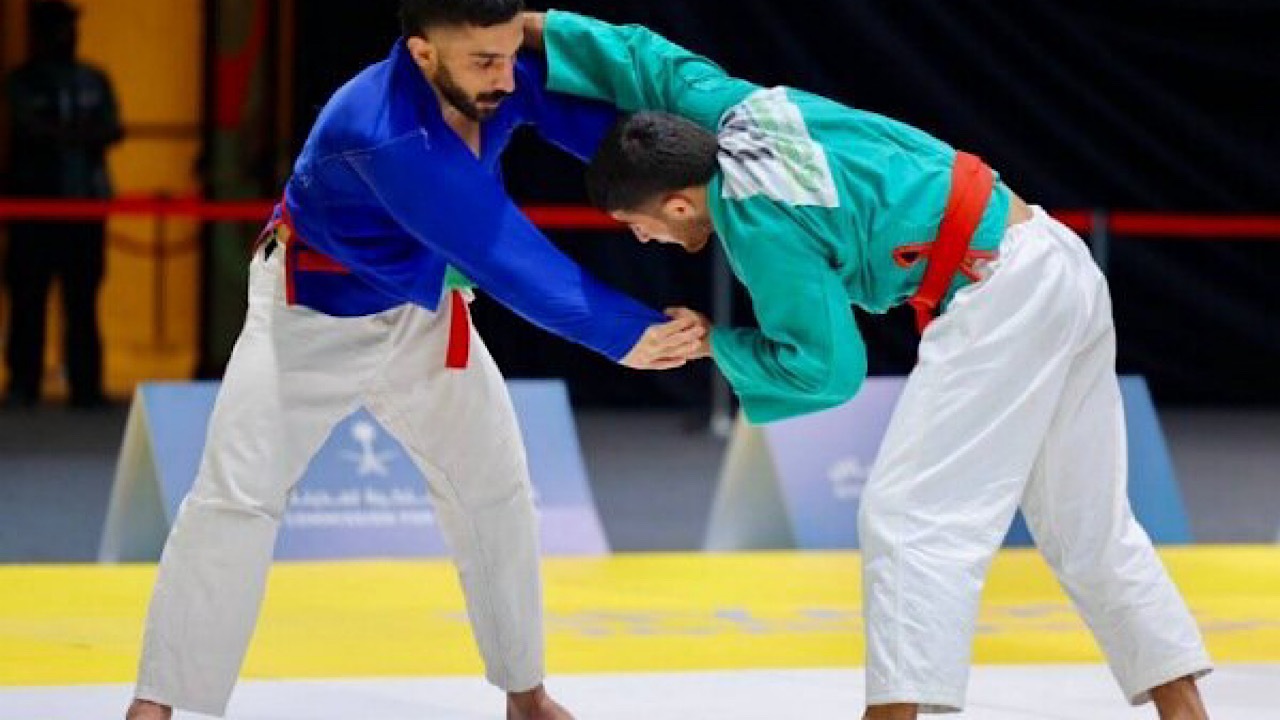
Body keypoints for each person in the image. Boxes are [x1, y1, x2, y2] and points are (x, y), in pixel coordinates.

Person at [522, 10, 1213, 719]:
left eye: (635, 226)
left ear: (675, 204)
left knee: (905, 517)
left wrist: (714, 345)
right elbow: (643, 57)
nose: (642, 240)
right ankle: (1184, 710)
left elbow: (826, 370)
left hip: (999, 292)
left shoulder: (759, 225)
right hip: (1051, 253)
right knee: (1088, 526)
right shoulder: (733, 111)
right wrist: (523, 27)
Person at [124, 1, 702, 719]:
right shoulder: (379, 128)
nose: (505, 76)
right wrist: (630, 333)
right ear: (424, 54)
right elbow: (499, 249)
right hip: (309, 318)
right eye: (484, 61)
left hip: (422, 309)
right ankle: (156, 706)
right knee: (235, 499)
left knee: (497, 487)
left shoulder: (494, 74)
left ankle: (525, 693)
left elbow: (612, 147)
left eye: (508, 54)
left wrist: (692, 185)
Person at [3, 0, 122, 408]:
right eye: (55, 29)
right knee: (28, 298)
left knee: (82, 299)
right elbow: (29, 128)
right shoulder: (23, 81)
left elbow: (112, 127)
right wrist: (78, 134)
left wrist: (69, 134)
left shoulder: (93, 79)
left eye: (69, 28)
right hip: (34, 205)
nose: (65, 37)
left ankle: (86, 384)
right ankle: (24, 382)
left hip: (84, 205)